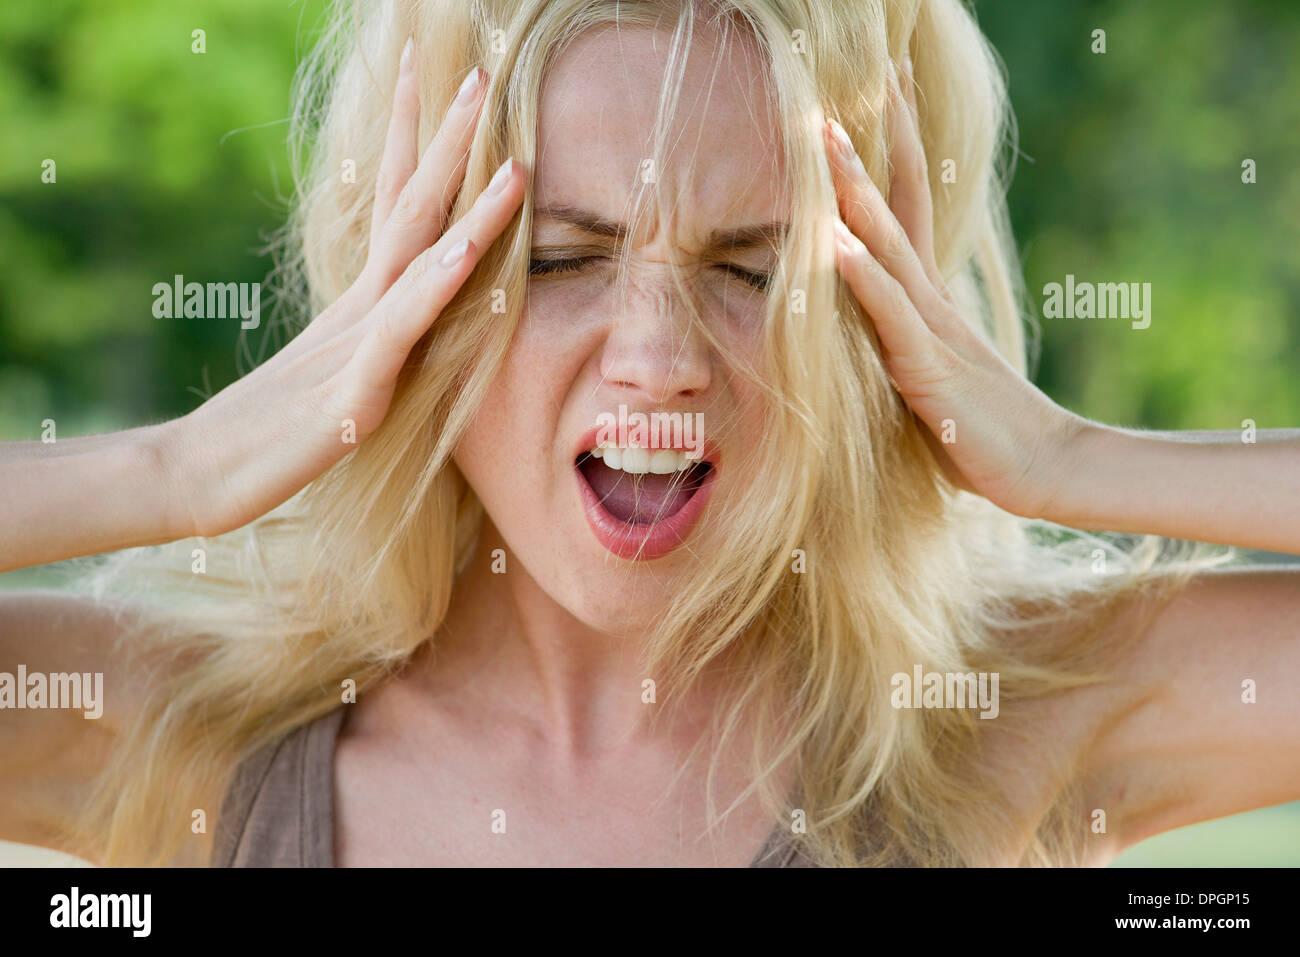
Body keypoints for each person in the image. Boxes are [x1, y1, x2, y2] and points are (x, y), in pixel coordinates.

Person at [2, 0, 1297, 868]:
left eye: (752, 271)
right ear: (409, 288)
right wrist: (179, 467)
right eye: (563, 259)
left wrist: (1066, 459)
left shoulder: (985, 725)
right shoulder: (184, 734)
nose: (661, 360)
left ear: (872, 309)